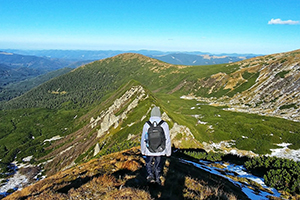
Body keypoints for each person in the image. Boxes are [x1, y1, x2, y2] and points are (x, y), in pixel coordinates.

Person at [140, 106, 171, 185]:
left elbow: (143, 138)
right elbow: (167, 139)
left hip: (148, 149)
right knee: (158, 164)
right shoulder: (164, 124)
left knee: (148, 163)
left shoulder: (147, 124)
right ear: (159, 114)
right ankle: (157, 178)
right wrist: (168, 152)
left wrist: (143, 150)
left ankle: (150, 176)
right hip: (160, 149)